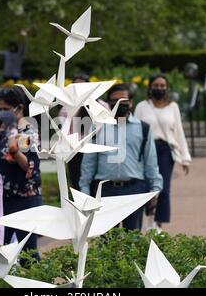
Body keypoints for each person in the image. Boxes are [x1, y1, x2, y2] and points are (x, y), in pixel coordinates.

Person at [79, 84, 163, 230]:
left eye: (123, 100)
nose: (118, 104)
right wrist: (85, 192)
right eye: (114, 100)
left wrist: (154, 190)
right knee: (107, 241)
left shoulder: (143, 128)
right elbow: (88, 163)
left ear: (131, 102)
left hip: (134, 189)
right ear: (109, 103)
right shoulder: (98, 127)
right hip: (105, 190)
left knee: (133, 241)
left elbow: (151, 162)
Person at [134, 74, 191, 231]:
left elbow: (179, 132)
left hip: (166, 150)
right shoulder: (141, 107)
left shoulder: (173, 107)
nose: (159, 88)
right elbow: (134, 129)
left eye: (162, 85)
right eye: (156, 85)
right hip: (146, 149)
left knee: (164, 188)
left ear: (166, 88)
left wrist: (185, 158)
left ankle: (158, 225)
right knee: (148, 186)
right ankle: (149, 219)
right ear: (150, 87)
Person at [0, 86, 42, 261]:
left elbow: (30, 167)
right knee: (0, 251)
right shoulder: (4, 132)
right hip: (3, 200)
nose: (2, 113)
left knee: (28, 255)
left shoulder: (28, 132)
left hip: (25, 201)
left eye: (6, 109)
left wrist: (15, 151)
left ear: (19, 109)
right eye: (0, 109)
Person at [58, 72, 110, 190]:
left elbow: (108, 130)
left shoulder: (102, 106)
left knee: (97, 186)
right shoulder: (66, 109)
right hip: (76, 153)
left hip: (97, 152)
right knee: (78, 187)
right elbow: (65, 135)